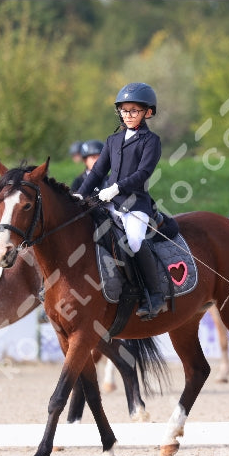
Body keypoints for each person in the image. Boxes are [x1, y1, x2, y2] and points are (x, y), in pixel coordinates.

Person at [76, 82, 165, 319]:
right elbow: (96, 172)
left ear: (147, 112)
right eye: (124, 110)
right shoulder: (112, 141)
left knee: (134, 241)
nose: (128, 115)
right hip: (109, 203)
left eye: (134, 110)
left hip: (135, 204)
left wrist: (116, 188)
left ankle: (154, 295)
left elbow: (143, 173)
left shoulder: (151, 140)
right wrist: (80, 194)